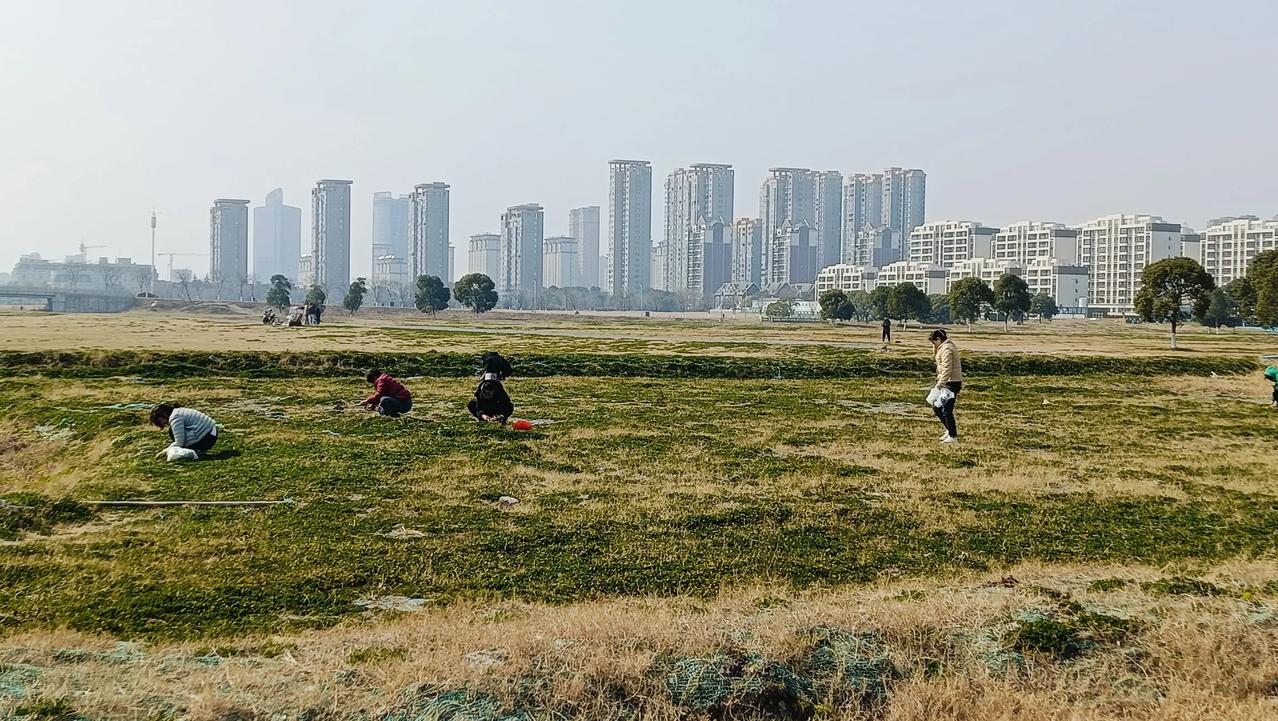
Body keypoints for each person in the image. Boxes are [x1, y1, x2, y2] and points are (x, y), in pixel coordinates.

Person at [930, 329, 962, 443]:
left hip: (951, 383)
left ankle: (952, 436)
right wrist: (935, 348)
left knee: (946, 410)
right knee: (937, 407)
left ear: (939, 339)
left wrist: (939, 385)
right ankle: (949, 430)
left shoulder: (947, 349)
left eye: (934, 342)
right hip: (947, 382)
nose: (933, 345)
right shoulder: (943, 348)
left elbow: (947, 369)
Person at [150, 404, 218, 455]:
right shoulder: (179, 411)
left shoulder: (175, 417)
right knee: (174, 432)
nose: (164, 424)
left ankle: (198, 449)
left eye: (160, 421)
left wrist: (166, 451)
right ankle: (199, 449)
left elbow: (179, 442)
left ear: (163, 415)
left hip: (207, 437)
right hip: (211, 433)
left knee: (172, 432)